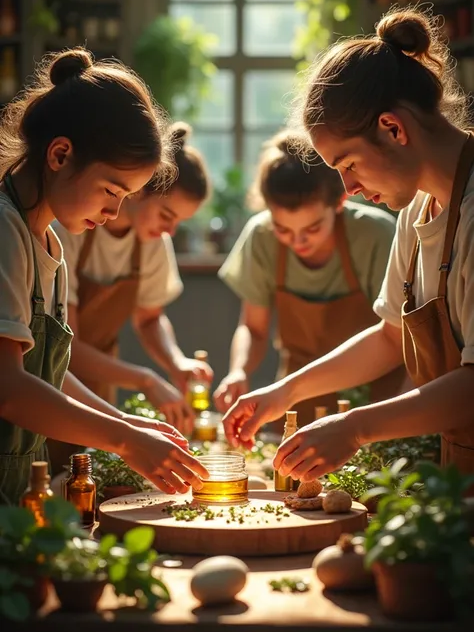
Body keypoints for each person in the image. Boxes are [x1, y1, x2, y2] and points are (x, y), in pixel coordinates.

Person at [222, 6, 474, 490]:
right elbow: (388, 336)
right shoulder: (418, 210)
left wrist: (355, 428)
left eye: (349, 163)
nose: (349, 188)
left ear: (393, 128)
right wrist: (284, 392)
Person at [0, 47, 208, 505]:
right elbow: (10, 390)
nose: (117, 211)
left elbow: (46, 375)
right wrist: (126, 440)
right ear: (60, 154)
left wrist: (129, 424)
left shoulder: (48, 242)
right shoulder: (6, 230)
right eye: (112, 190)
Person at [214, 130, 404, 430]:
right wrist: (239, 371)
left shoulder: (375, 234)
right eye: (283, 230)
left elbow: (396, 337)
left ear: (339, 202)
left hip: (372, 401)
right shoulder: (260, 236)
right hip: (294, 404)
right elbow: (253, 327)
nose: (298, 242)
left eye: (312, 229)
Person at [54, 122, 213, 438]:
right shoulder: (70, 229)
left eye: (179, 223)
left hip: (102, 377)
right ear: (138, 190)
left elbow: (149, 318)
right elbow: (65, 346)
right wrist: (146, 380)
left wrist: (176, 361)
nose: (170, 230)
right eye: (167, 215)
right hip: (54, 377)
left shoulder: (153, 243)